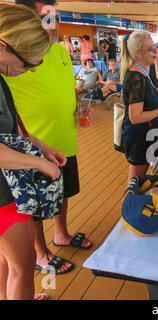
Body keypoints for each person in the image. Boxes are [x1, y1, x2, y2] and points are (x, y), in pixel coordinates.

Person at [6, 0, 94, 277]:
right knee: (32, 207)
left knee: (61, 192)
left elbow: (66, 87)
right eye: (45, 19)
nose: (53, 26)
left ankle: (61, 235)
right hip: (27, 146)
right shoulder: (11, 55)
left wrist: (78, 103)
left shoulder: (59, 51)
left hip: (62, 138)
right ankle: (40, 254)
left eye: (54, 18)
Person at [0, 2, 64, 300]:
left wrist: (41, 146)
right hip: (4, 195)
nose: (31, 70)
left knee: (6, 263)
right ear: (2, 47)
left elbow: (9, 127)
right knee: (23, 267)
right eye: (28, 63)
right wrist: (38, 164)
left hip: (6, 188)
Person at [120, 31, 158, 181]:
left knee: (141, 178)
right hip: (139, 138)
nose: (155, 52)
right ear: (138, 53)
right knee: (136, 182)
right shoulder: (136, 77)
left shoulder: (142, 72)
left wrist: (156, 93)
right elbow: (135, 117)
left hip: (145, 135)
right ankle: (131, 204)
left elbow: (142, 102)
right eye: (151, 49)